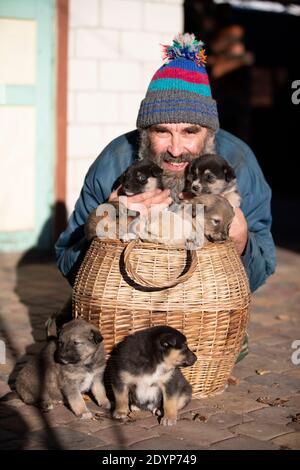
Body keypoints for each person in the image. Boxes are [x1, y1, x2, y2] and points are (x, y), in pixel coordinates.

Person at [51, 34, 276, 360]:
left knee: (211, 352)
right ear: (145, 133)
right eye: (161, 131)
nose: (175, 148)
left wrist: (241, 243)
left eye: (189, 132)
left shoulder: (238, 163)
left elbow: (264, 264)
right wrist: (109, 222)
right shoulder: (115, 162)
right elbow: (65, 256)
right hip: (126, 309)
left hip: (202, 311)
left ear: (209, 133)